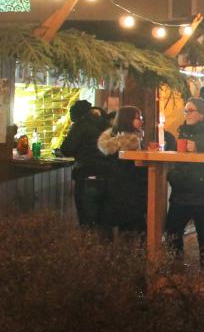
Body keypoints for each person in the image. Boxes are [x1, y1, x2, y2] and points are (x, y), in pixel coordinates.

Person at [162, 97, 204, 269]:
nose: (187, 114)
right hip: (183, 189)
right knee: (172, 231)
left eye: (190, 110)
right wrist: (173, 175)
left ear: (202, 113)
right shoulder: (184, 130)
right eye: (185, 110)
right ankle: (176, 270)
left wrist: (198, 147)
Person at [97, 106, 148, 239]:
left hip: (114, 190)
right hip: (128, 191)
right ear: (127, 119)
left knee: (122, 229)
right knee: (132, 229)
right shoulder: (131, 141)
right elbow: (135, 169)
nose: (141, 121)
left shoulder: (110, 140)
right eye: (137, 118)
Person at [60, 99, 110, 228]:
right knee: (103, 221)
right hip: (107, 176)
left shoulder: (81, 124)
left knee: (87, 221)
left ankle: (88, 247)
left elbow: (67, 149)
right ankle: (107, 247)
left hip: (87, 174)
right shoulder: (105, 123)